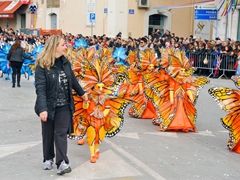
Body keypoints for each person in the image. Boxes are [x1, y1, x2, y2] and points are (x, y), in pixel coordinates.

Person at [34, 35, 88, 175]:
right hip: (48, 104)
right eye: (63, 44)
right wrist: (43, 108)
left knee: (61, 133)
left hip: (64, 104)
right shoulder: (42, 65)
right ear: (55, 46)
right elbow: (40, 88)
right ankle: (48, 158)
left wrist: (82, 93)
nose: (66, 46)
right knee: (48, 134)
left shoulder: (65, 62)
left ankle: (62, 162)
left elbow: (73, 80)